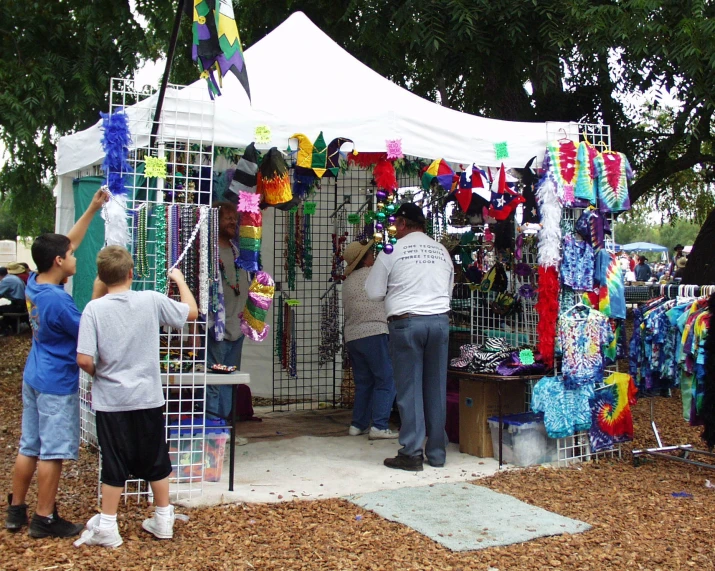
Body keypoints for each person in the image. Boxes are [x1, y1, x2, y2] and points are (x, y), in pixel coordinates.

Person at [74, 246, 198, 547]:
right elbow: (190, 312)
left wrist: (98, 374)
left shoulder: (94, 308)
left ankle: (107, 525)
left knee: (113, 460)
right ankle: (163, 516)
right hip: (148, 396)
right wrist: (179, 279)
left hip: (111, 399)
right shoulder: (151, 299)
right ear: (132, 273)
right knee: (156, 456)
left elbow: (83, 358)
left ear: (101, 277)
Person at [5, 189, 107, 538]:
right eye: (70, 255)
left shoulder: (35, 282)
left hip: (34, 374)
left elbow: (68, 242)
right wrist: (96, 293)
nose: (75, 256)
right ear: (59, 262)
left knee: (28, 445)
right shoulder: (58, 303)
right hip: (55, 382)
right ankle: (44, 517)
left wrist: (92, 209)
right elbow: (87, 332)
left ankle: (16, 511)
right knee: (53, 451)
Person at [365, 203, 454, 471]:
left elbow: (373, 291)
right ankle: (437, 453)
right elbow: (449, 289)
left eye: (395, 224)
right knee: (436, 388)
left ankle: (412, 453)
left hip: (407, 323)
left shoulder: (392, 250)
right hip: (439, 322)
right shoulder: (442, 251)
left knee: (410, 389)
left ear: (403, 224)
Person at [342, 239, 398, 440]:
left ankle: (358, 424)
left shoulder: (347, 283)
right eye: (370, 254)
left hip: (353, 335)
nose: (373, 256)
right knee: (386, 378)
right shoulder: (374, 274)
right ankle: (380, 425)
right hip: (374, 331)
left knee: (364, 382)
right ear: (364, 259)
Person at [206, 202, 253, 421]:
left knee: (230, 379)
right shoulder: (208, 253)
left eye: (235, 218)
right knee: (214, 380)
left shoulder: (237, 251)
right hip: (217, 327)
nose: (233, 222)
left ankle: (223, 428)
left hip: (237, 326)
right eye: (228, 218)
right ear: (216, 221)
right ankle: (212, 427)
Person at [0, 265, 26, 335]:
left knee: (2, 309)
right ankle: (10, 327)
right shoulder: (13, 277)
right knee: (5, 309)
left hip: (18, 305)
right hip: (24, 304)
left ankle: (5, 329)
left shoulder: (5, 280)